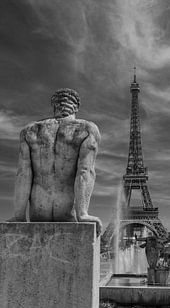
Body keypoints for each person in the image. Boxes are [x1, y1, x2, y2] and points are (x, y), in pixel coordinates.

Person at [9, 88, 101, 235]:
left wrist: (19, 215)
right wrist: (82, 213)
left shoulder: (29, 130)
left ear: (54, 106)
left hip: (38, 210)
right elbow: (85, 171)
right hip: (66, 210)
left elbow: (23, 174)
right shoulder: (87, 129)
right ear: (76, 107)